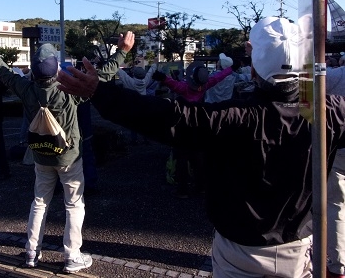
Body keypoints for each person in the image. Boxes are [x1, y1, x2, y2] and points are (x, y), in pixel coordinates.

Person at [56, 17, 345, 278]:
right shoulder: (330, 113)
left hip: (238, 253)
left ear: (254, 62)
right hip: (301, 250)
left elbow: (165, 116)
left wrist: (99, 91)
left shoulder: (234, 118)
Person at [0, 32, 132, 273]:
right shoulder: (68, 89)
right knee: (73, 204)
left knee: (39, 202)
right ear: (56, 68)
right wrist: (122, 50)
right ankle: (72, 256)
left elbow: (6, 73)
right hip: (69, 157)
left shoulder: (26, 89)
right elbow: (101, 77)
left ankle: (31, 252)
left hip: (41, 155)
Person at [153, 60, 237, 197]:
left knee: (182, 159)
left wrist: (162, 77)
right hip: (200, 126)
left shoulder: (184, 88)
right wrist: (232, 68)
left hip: (183, 128)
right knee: (199, 158)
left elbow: (172, 84)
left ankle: (183, 190)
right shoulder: (205, 86)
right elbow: (218, 77)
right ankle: (201, 186)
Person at [326, 61, 345, 278]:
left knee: (336, 206)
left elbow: (305, 101)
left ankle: (338, 266)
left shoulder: (336, 76)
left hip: (340, 148)